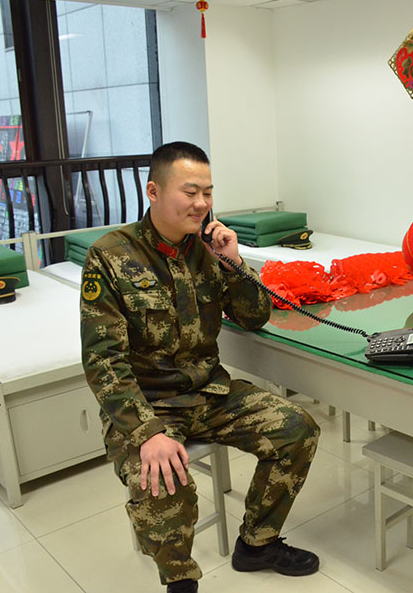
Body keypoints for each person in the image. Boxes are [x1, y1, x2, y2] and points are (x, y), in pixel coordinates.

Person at [80, 141, 320, 593]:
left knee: (297, 428)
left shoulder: (207, 249)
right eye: (190, 192)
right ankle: (180, 581)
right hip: (148, 406)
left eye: (208, 193)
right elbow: (102, 360)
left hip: (209, 394)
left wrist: (233, 262)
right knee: (162, 479)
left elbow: (255, 316)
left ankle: (257, 544)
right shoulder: (111, 256)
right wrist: (147, 432)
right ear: (153, 190)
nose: (202, 204)